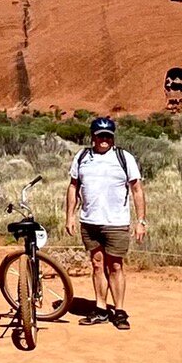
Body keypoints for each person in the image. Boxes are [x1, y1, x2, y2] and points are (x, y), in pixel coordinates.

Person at [65, 116, 145, 329]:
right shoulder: (82, 157)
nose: (104, 140)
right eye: (100, 136)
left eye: (108, 136)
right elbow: (73, 186)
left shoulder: (123, 157)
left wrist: (141, 221)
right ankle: (100, 308)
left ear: (112, 138)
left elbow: (136, 189)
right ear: (93, 136)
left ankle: (119, 311)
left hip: (116, 222)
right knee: (97, 264)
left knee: (116, 266)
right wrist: (70, 216)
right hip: (90, 222)